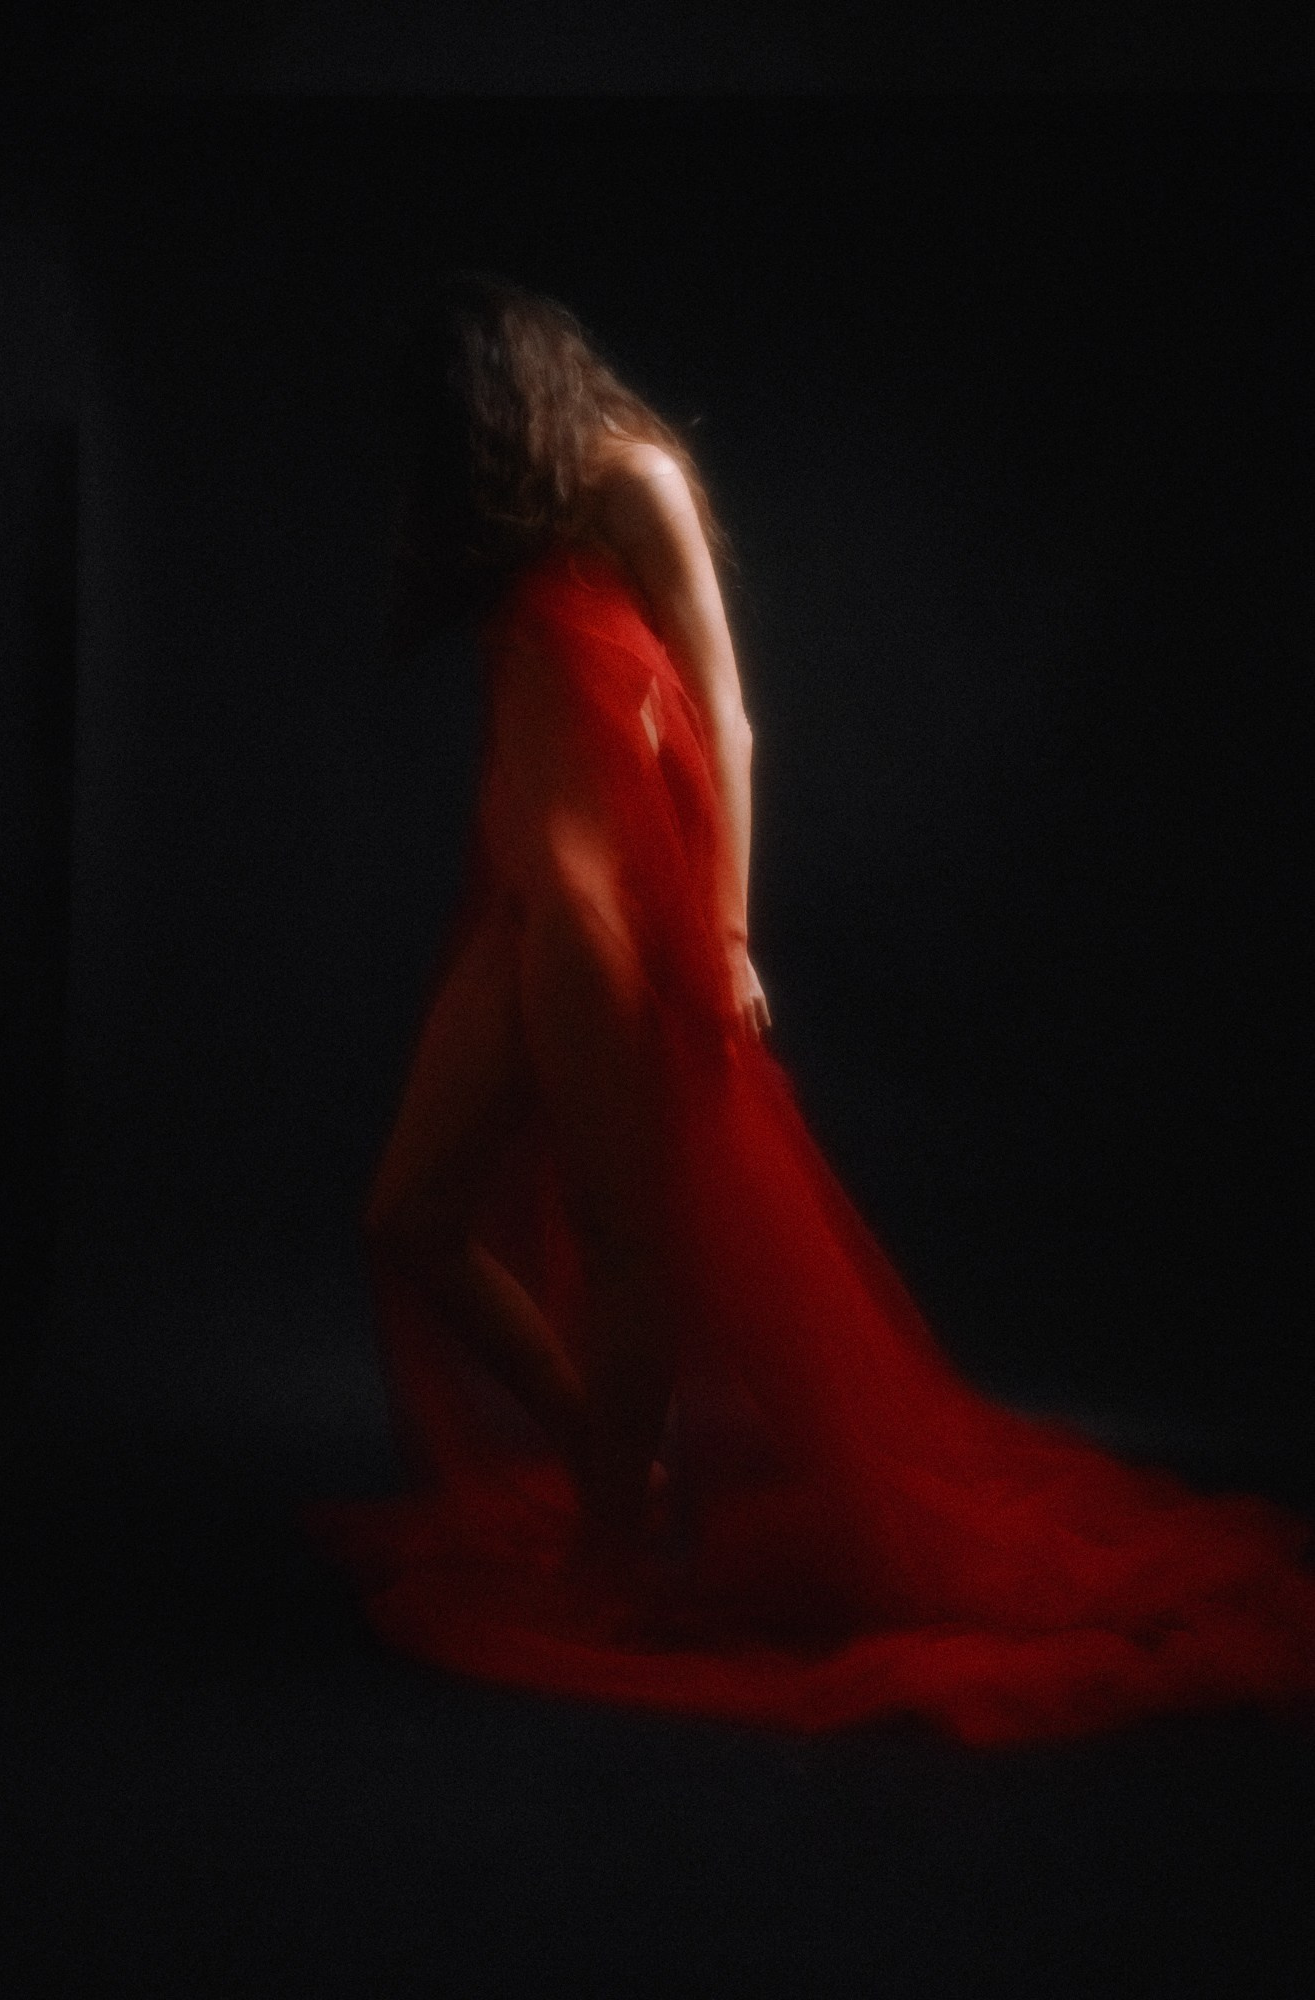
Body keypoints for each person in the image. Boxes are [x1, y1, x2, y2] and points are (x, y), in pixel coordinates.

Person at [305, 273, 1315, 1746]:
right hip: (516, 908)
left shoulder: (632, 479)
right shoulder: (512, 508)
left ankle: (610, 1547)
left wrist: (723, 931)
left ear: (502, 396)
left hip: (600, 922)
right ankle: (614, 1458)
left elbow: (724, 710)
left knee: (621, 1237)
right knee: (409, 1216)